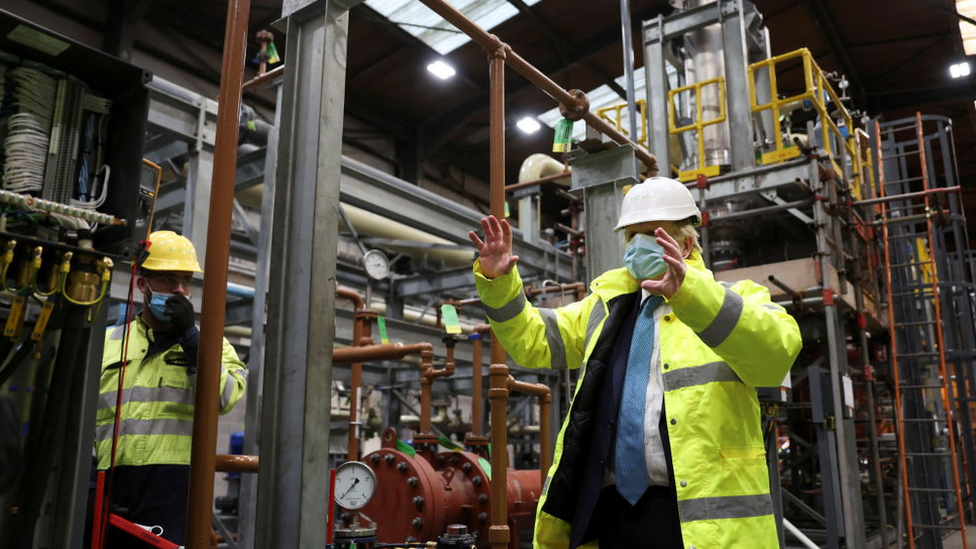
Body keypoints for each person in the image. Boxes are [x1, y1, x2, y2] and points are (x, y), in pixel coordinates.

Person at [468, 177, 801, 549]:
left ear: (687, 243)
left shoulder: (735, 300)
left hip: (698, 524)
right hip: (611, 514)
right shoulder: (608, 306)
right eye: (631, 235)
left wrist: (691, 295)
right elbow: (535, 342)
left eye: (650, 233)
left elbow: (776, 353)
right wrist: (499, 282)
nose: (637, 245)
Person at [95, 231, 247, 548]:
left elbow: (224, 397)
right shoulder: (108, 342)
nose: (179, 289)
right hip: (106, 482)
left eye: (185, 281)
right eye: (167, 279)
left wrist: (191, 339)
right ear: (142, 284)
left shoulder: (212, 344)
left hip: (173, 485)